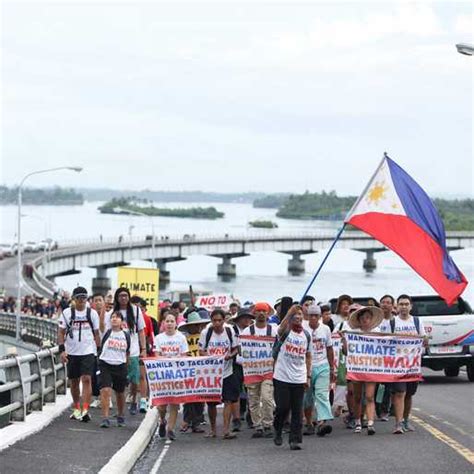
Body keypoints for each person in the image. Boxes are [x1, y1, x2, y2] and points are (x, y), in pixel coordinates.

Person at [100, 287, 146, 416]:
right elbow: (103, 329)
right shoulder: (113, 313)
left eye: (126, 295)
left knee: (134, 379)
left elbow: (141, 331)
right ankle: (118, 410)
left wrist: (143, 349)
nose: (123, 298)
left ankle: (134, 401)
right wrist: (104, 307)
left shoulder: (136, 311)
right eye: (121, 296)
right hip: (116, 352)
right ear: (117, 297)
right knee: (119, 383)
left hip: (133, 351)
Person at [58, 286, 100, 422]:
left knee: (87, 379)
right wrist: (62, 350)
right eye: (79, 298)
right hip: (72, 351)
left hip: (88, 351)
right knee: (74, 381)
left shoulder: (92, 313)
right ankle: (76, 408)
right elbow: (61, 332)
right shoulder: (66, 313)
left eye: (84, 298)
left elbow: (96, 333)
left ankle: (86, 409)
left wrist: (98, 351)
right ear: (74, 299)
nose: (81, 301)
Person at [273, 304, 311, 450]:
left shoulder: (306, 335)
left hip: (299, 377)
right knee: (283, 407)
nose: (298, 316)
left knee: (297, 410)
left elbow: (308, 356)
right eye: (296, 314)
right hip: (282, 376)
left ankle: (295, 440)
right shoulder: (285, 331)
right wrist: (289, 313)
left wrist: (307, 376)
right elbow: (281, 328)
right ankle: (278, 428)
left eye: (300, 314)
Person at [341, 306, 384, 435]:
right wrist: (344, 341)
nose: (365, 320)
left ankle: (370, 422)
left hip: (371, 368)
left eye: (367, 318)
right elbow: (346, 352)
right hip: (357, 368)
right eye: (363, 318)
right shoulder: (353, 333)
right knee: (357, 397)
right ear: (359, 320)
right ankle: (358, 421)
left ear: (371, 319)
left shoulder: (377, 332)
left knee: (370, 396)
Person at [199, 308, 239, 439]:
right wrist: (212, 357)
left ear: (223, 320)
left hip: (227, 371)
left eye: (219, 320)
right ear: (211, 321)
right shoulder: (206, 332)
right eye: (214, 320)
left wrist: (229, 355)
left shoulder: (229, 330)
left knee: (228, 400)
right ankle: (213, 429)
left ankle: (226, 430)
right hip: (211, 373)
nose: (217, 323)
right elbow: (201, 350)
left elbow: (235, 349)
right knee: (211, 403)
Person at [390, 294, 428, 434]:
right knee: (400, 392)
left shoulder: (417, 322)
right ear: (397, 306)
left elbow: (425, 341)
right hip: (397, 366)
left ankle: (406, 420)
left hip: (413, 365)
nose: (404, 307)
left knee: (409, 394)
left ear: (411, 306)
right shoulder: (392, 323)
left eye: (406, 304)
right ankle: (398, 423)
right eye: (401, 304)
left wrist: (425, 340)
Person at [241, 302, 278, 438]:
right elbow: (243, 351)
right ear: (254, 313)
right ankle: (258, 426)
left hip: (268, 370)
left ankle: (268, 424)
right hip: (252, 371)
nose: (261, 313)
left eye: (264, 311)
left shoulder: (273, 330)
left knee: (267, 398)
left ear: (268, 313)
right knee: (253, 400)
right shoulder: (247, 332)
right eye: (259, 311)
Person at [155, 313, 190, 440]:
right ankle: (163, 420)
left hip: (176, 376)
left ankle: (170, 429)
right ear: (163, 323)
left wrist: (175, 362)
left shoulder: (181, 338)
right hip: (163, 376)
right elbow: (157, 355)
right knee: (162, 405)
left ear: (176, 323)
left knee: (175, 403)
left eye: (172, 321)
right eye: (167, 321)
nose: (169, 323)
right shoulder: (159, 338)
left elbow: (184, 356)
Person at [302, 304, 335, 437]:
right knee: (307, 397)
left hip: (322, 365)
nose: (314, 318)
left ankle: (322, 422)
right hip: (305, 367)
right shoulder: (302, 328)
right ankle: (309, 422)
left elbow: (329, 348)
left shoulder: (325, 329)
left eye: (316, 315)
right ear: (308, 316)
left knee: (321, 394)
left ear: (320, 316)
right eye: (311, 315)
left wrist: (332, 367)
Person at [178, 311, 210, 433]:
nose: (197, 327)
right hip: (188, 371)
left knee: (200, 398)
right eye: (194, 325)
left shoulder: (204, 336)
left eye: (198, 325)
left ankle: (196, 422)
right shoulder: (184, 338)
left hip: (202, 371)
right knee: (188, 398)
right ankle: (187, 420)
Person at [98, 311, 130, 428]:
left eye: (117, 317)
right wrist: (103, 308)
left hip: (120, 365)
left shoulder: (126, 335)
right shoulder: (106, 332)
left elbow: (128, 352)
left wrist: (126, 366)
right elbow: (100, 323)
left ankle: (121, 415)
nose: (114, 319)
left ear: (122, 321)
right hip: (105, 364)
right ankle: (105, 418)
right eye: (112, 317)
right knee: (105, 390)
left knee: (120, 392)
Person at [230, 307, 255, 432]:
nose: (247, 319)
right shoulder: (231, 330)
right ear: (239, 319)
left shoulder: (253, 330)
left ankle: (251, 416)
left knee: (252, 391)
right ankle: (236, 419)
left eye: (249, 317)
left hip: (251, 363)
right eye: (245, 317)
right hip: (236, 364)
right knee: (235, 392)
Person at [131, 296, 156, 413]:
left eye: (139, 307)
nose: (136, 309)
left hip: (142, 347)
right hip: (128, 348)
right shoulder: (125, 316)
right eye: (134, 306)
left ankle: (143, 400)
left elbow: (150, 335)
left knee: (142, 375)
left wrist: (148, 350)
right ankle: (133, 400)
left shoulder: (146, 318)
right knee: (132, 377)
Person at [377, 294, 396, 421]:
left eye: (388, 302)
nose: (385, 304)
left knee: (388, 386)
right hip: (375, 358)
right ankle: (377, 409)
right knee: (376, 386)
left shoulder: (396, 321)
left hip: (391, 358)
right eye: (383, 302)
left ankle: (385, 410)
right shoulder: (375, 319)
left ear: (392, 305)